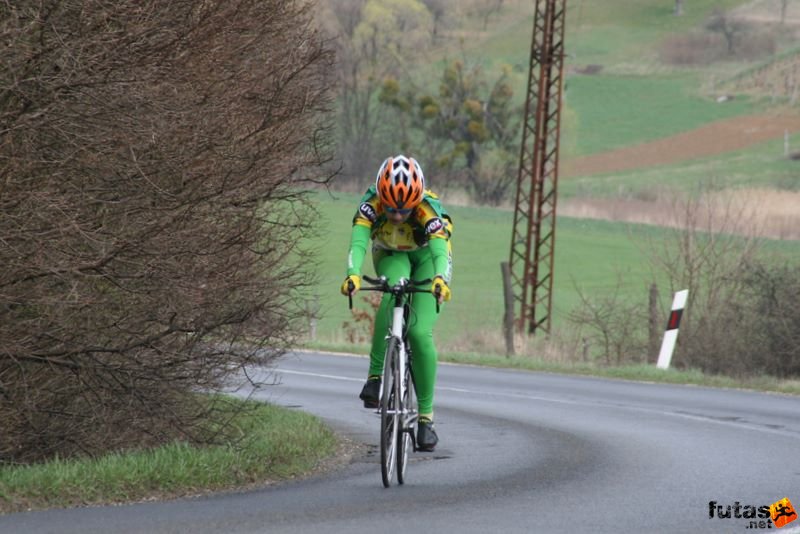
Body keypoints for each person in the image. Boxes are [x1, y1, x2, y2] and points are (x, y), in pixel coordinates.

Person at [340, 155, 453, 452]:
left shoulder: (429, 209)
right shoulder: (370, 203)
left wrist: (441, 279)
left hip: (427, 257)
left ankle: (426, 419)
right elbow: (358, 242)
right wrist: (352, 275)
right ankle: (375, 378)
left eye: (404, 211)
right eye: (390, 209)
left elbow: (441, 252)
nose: (398, 216)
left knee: (418, 332)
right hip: (391, 254)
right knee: (392, 290)